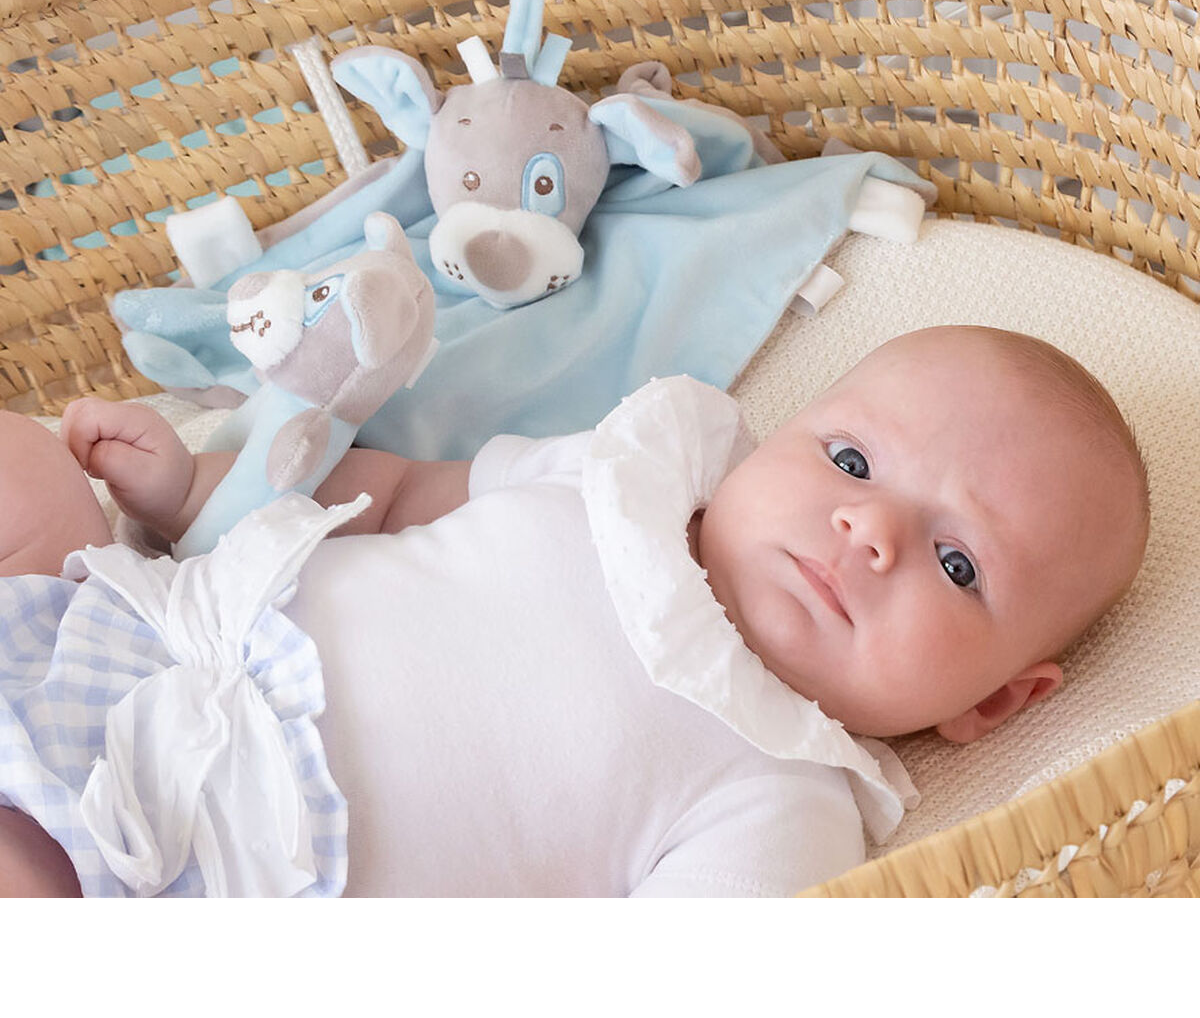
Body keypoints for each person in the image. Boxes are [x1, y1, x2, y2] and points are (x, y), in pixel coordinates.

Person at [0, 325, 1149, 897]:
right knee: (24, 467)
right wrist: (189, 497)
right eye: (850, 459)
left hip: (204, 861)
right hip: (135, 638)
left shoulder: (785, 799)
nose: (870, 528)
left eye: (957, 564)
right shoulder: (613, 479)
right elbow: (389, 493)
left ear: (995, 703)